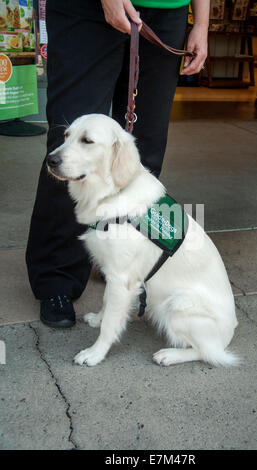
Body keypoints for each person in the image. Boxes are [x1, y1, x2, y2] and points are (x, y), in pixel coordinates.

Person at [26, 0, 209, 328]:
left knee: (145, 150)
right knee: (71, 149)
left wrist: (201, 23)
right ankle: (57, 277)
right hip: (86, 10)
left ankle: (122, 259)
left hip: (168, 10)